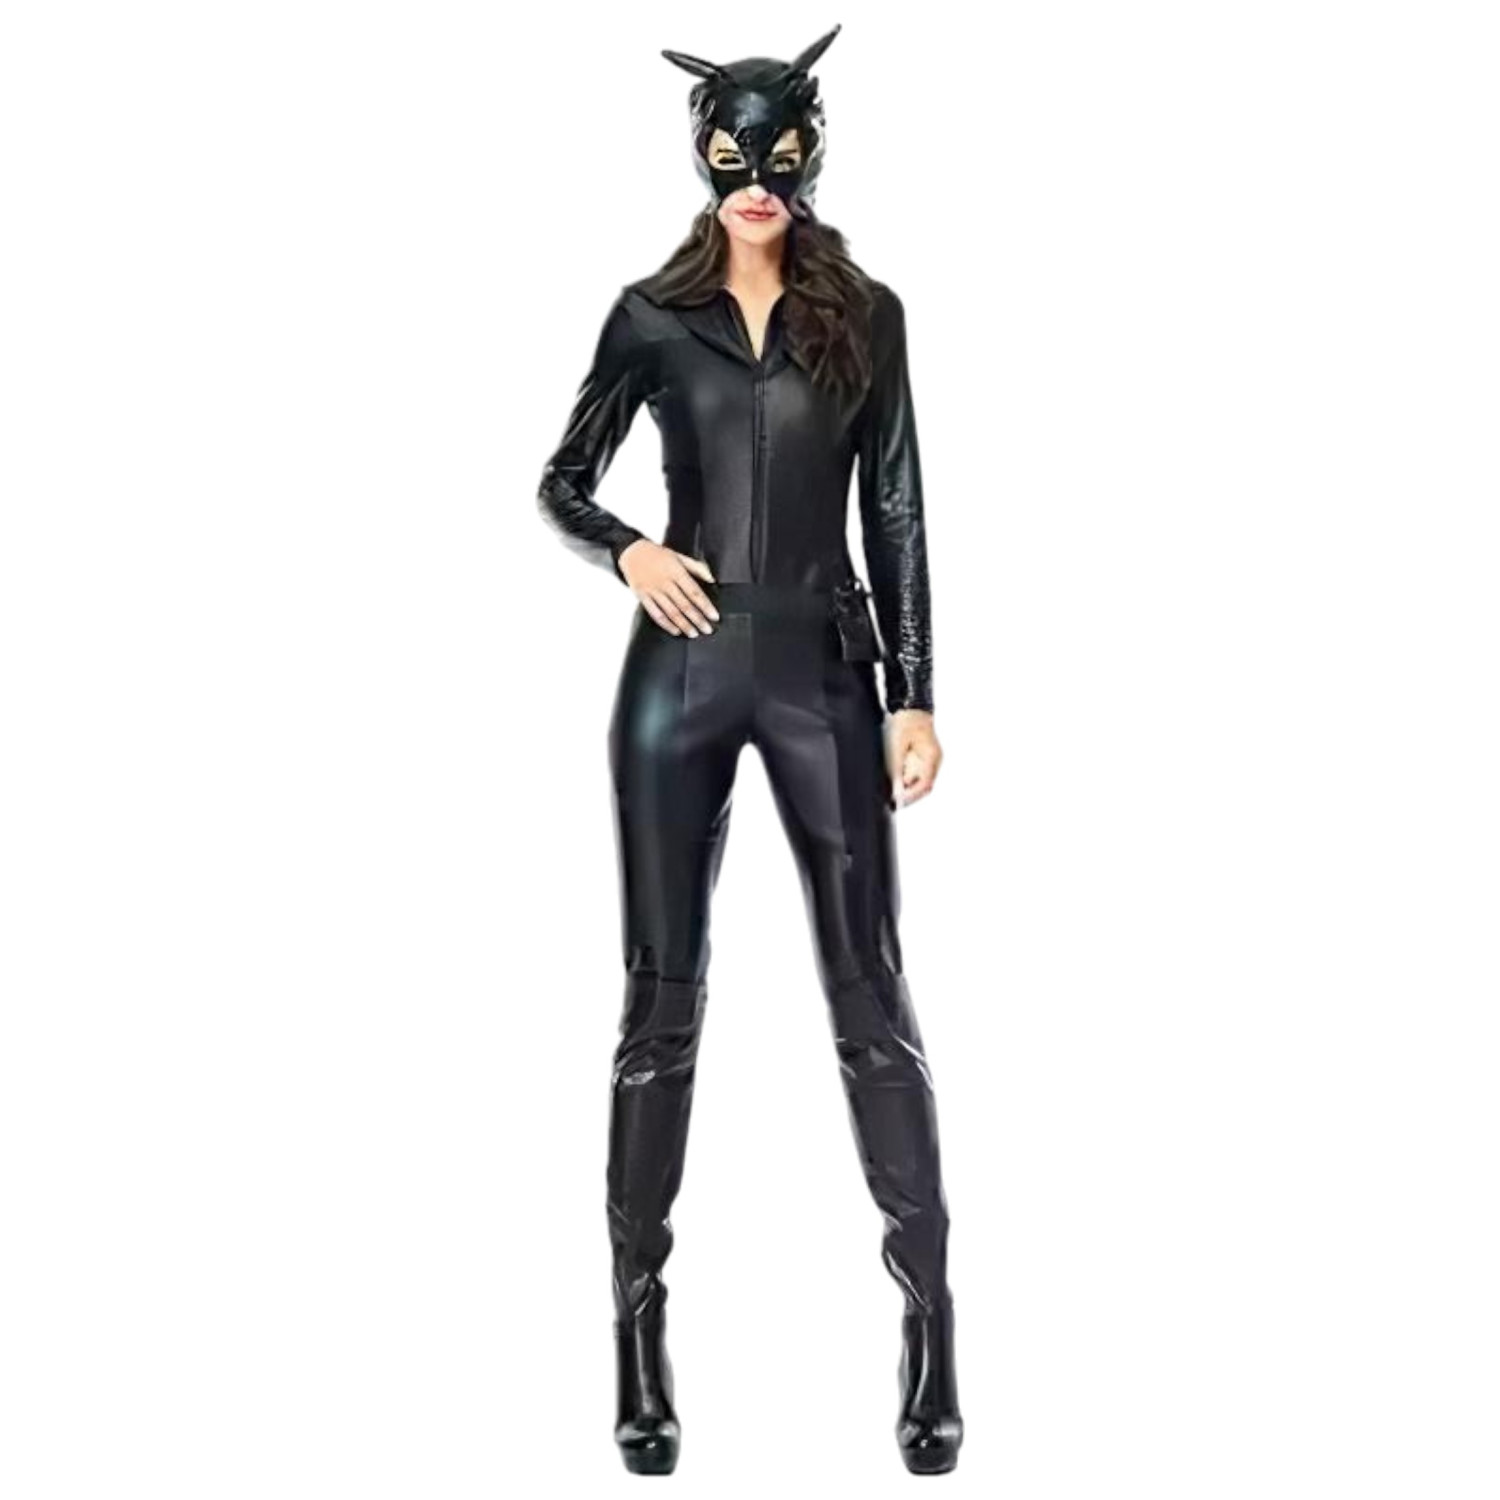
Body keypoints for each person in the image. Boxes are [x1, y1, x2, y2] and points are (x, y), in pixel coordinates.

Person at [535, 24, 963, 1476]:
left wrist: (915, 692)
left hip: (824, 669)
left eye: (782, 154)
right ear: (705, 159)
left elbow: (897, 511)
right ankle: (636, 1334)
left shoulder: (868, 316)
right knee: (660, 1007)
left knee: (871, 993)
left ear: (814, 154)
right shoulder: (652, 317)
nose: (759, 180)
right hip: (678, 672)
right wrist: (630, 550)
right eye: (735, 156)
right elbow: (561, 477)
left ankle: (932, 1324)